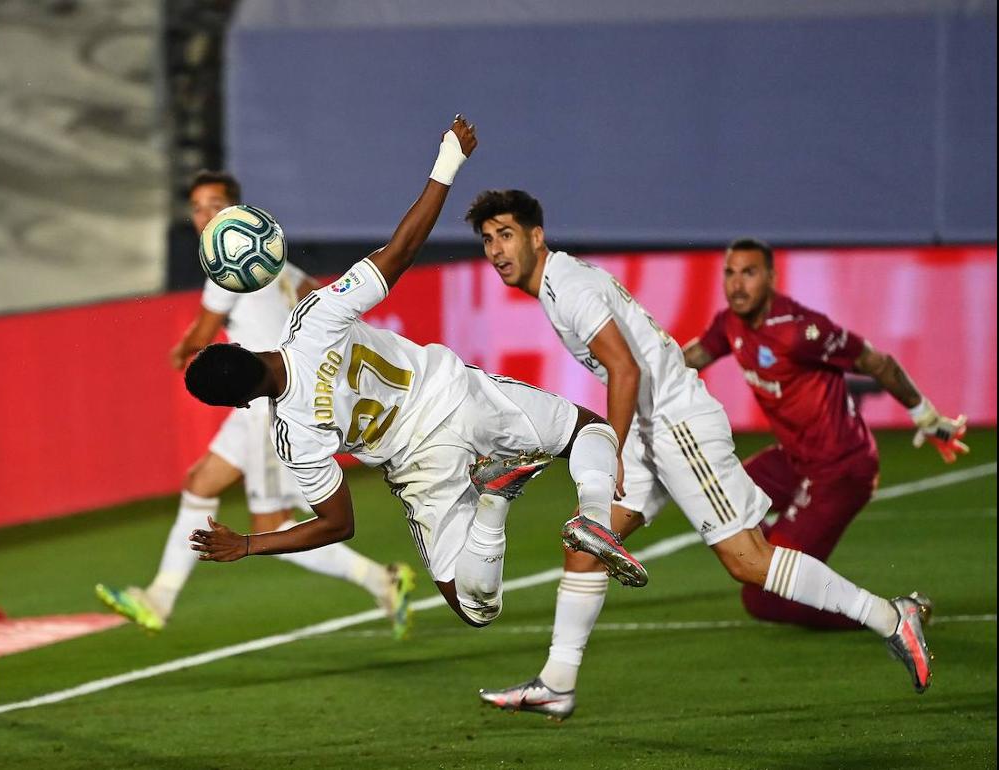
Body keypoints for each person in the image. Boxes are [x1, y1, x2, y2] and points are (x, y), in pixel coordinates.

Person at [465, 190, 933, 720]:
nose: (497, 249)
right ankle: (557, 682)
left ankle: (892, 617)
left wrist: (610, 449)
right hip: (650, 428)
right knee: (585, 545)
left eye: (506, 234)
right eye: (487, 239)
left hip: (674, 427)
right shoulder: (560, 283)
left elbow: (626, 369)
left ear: (536, 235)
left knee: (748, 561)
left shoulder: (567, 287)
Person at [186, 117, 647, 633]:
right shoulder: (312, 318)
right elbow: (401, 251)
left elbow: (339, 524)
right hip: (455, 392)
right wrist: (448, 160)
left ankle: (495, 498)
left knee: (476, 609)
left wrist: (249, 544)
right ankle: (593, 515)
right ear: (247, 346)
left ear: (242, 403)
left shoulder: (292, 433)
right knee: (590, 430)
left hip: (419, 465)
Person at [95, 171, 416, 639]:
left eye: (216, 205)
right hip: (258, 395)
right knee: (200, 481)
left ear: (235, 210)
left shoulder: (229, 261)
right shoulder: (273, 262)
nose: (206, 216)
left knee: (273, 527)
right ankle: (159, 598)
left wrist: (183, 351)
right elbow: (315, 298)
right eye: (199, 208)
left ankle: (380, 579)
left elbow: (203, 334)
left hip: (270, 404)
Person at [681, 237, 966, 629]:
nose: (737, 284)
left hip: (841, 469)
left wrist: (927, 416)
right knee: (717, 492)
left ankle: (891, 616)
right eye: (730, 273)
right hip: (795, 457)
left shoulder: (802, 331)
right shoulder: (730, 323)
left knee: (765, 597)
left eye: (749, 273)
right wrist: (641, 368)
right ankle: (788, 549)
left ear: (771, 277)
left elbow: (878, 363)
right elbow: (692, 357)